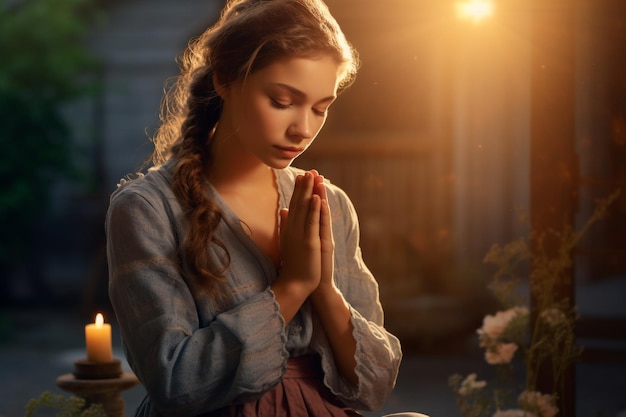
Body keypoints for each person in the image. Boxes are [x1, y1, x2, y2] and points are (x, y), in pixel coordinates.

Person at [106, 0, 407, 416]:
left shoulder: (328, 204)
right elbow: (175, 382)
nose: (303, 128)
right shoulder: (146, 209)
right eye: (283, 100)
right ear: (226, 79)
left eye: (321, 108)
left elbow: (376, 384)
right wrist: (293, 286)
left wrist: (324, 290)